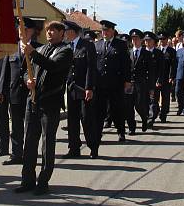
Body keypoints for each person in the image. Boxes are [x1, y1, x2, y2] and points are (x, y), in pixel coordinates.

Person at [15, 21, 73, 195]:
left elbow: (53, 66)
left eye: (54, 30)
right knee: (29, 143)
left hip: (50, 103)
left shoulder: (66, 51)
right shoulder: (40, 49)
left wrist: (32, 53)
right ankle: (27, 180)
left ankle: (43, 181)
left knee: (47, 143)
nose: (49, 33)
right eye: (48, 30)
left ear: (62, 33)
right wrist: (28, 80)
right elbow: (27, 70)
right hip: (33, 101)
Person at [0, 17, 41, 166]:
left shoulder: (39, 48)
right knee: (16, 126)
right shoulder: (12, 48)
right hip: (14, 93)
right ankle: (16, 154)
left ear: (32, 31)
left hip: (31, 94)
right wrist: (1, 90)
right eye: (19, 29)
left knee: (30, 125)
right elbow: (5, 71)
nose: (21, 32)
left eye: (25, 29)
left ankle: (29, 154)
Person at [63, 21, 98, 158]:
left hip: (83, 88)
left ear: (73, 31)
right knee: (72, 120)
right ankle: (74, 148)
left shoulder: (87, 45)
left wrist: (89, 87)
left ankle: (93, 147)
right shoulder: (66, 46)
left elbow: (91, 67)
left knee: (86, 118)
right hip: (71, 88)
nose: (65, 33)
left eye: (66, 31)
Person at [94, 20, 130, 142]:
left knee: (117, 108)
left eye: (107, 30)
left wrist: (127, 80)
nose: (104, 33)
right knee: (100, 110)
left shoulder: (121, 44)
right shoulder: (97, 45)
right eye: (103, 30)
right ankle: (97, 133)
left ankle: (121, 131)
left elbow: (126, 64)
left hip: (116, 83)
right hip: (100, 83)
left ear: (112, 31)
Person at [126, 28, 154, 134]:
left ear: (141, 40)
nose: (134, 40)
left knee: (139, 105)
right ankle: (131, 128)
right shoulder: (128, 53)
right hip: (129, 84)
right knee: (128, 107)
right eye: (133, 38)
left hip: (141, 84)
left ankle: (144, 118)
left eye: (136, 38)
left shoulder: (146, 54)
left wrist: (151, 87)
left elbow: (151, 72)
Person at [156, 32, 177, 123]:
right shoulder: (156, 50)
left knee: (165, 98)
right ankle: (155, 112)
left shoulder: (171, 51)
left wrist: (171, 76)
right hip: (156, 78)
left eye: (163, 39)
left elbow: (173, 65)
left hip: (166, 78)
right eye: (160, 39)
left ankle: (163, 115)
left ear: (167, 40)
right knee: (155, 98)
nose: (161, 41)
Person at [143, 31, 163, 127]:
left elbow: (161, 69)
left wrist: (159, 80)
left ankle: (150, 119)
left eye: (149, 40)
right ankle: (148, 116)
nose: (147, 42)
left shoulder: (158, 53)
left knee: (153, 100)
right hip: (143, 81)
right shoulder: (142, 52)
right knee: (145, 101)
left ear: (153, 41)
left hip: (154, 81)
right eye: (145, 40)